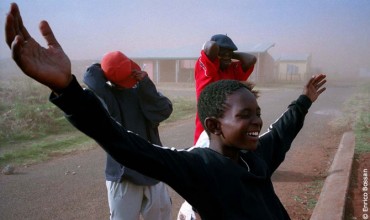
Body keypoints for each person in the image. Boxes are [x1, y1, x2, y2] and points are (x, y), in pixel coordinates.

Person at [5, 3, 327, 219]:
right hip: (137, 172)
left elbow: (283, 129)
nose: (257, 120)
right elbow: (121, 141)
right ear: (214, 124)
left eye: (256, 112)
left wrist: (304, 100)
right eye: (245, 115)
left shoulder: (258, 154)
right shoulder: (199, 166)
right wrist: (69, 91)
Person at [82, 51, 173, 220]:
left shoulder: (111, 96)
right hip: (133, 172)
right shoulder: (121, 96)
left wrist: (105, 67)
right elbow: (165, 109)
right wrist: (144, 83)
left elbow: (90, 77)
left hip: (140, 172)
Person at [194, 34, 257, 145]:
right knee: (206, 153)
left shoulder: (231, 69)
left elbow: (251, 59)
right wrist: (222, 53)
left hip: (229, 119)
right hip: (209, 117)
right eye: (222, 53)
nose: (227, 57)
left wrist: (230, 54)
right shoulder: (205, 65)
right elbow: (211, 46)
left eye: (229, 54)